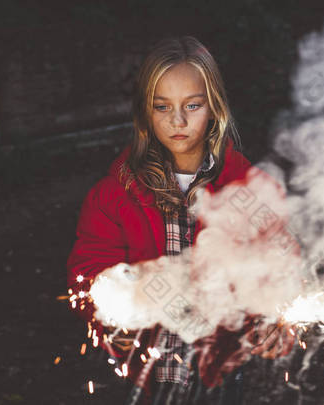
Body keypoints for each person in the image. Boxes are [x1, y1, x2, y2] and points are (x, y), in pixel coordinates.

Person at [66, 36, 297, 404]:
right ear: (145, 112)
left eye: (192, 105)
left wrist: (278, 323)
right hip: (145, 373)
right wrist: (107, 315)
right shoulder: (113, 195)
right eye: (162, 107)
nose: (177, 120)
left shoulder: (251, 190)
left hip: (219, 374)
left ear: (215, 108)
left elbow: (282, 263)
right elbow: (90, 268)